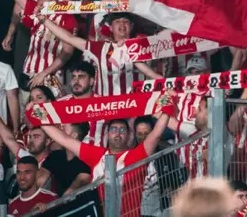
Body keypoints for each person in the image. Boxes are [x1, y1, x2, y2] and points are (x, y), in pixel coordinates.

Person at [40, 93, 174, 217]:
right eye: (113, 129)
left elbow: (155, 136)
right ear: (107, 134)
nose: (118, 133)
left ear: (128, 136)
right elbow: (65, 140)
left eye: (122, 130)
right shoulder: (97, 154)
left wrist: (167, 109)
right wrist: (39, 118)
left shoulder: (136, 155)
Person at [40, 123, 92, 196]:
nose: (59, 132)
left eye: (63, 129)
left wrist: (53, 204)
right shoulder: (55, 156)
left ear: (74, 135)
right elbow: (39, 181)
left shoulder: (86, 160)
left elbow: (76, 186)